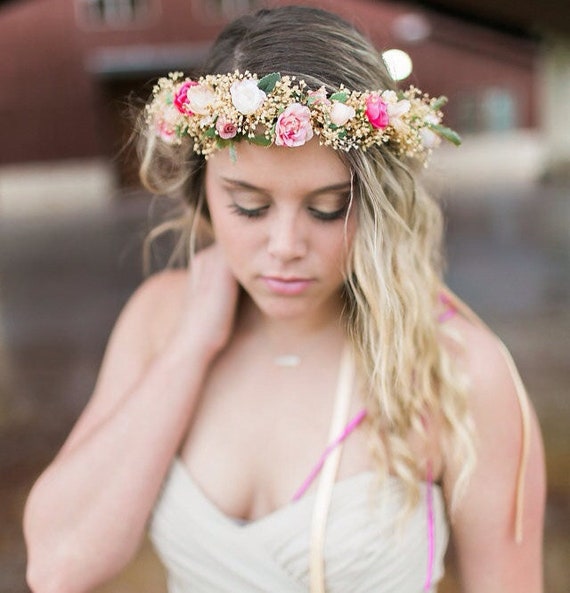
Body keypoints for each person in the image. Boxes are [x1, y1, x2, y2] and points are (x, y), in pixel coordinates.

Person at [23, 6, 545, 593]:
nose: (286, 247)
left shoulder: (456, 367)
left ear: (377, 202)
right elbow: (59, 565)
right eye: (250, 206)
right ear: (201, 191)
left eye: (327, 208)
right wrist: (192, 346)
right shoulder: (161, 319)